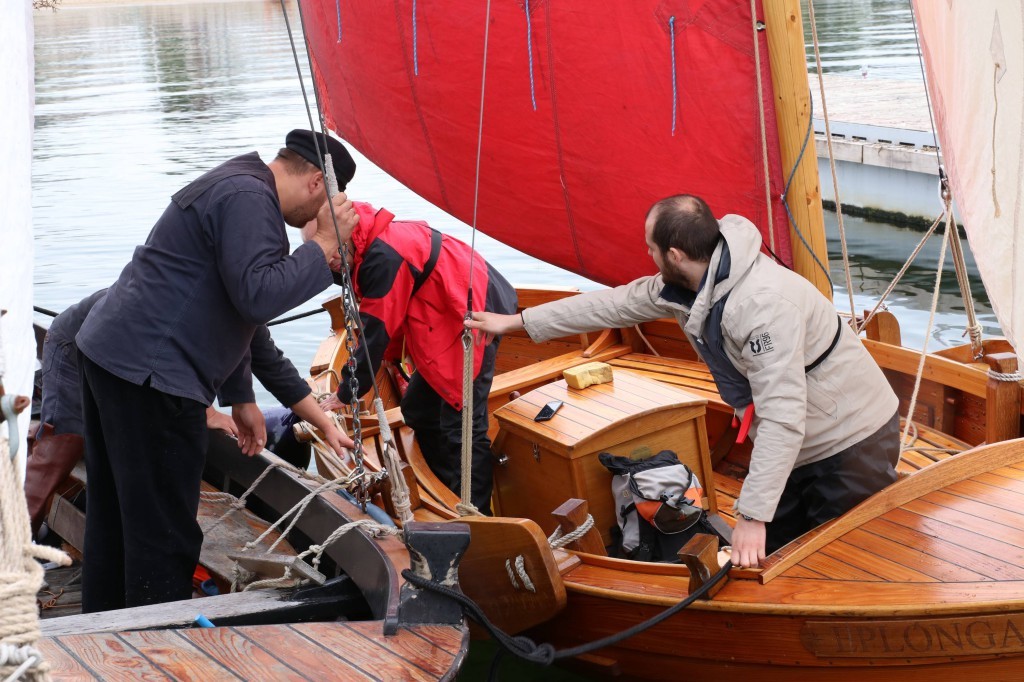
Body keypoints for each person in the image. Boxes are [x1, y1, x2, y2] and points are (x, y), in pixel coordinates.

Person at [467, 194, 900, 568]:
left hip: (850, 438)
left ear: (674, 254)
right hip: (800, 445)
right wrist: (518, 322)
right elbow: (613, 305)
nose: (648, 255)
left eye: (651, 248)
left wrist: (751, 515)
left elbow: (783, 415)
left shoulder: (760, 306)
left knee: (836, 560)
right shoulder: (695, 282)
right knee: (776, 554)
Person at [73, 130, 359, 612]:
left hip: (113, 359)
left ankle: (101, 628)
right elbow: (258, 298)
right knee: (164, 532)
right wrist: (324, 243)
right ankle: (157, 640)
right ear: (316, 183)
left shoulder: (238, 184)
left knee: (116, 518)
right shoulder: (250, 199)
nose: (313, 221)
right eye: (322, 208)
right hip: (152, 377)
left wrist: (253, 401)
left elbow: (245, 323)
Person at [26, 289, 319, 536]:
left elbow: (274, 367)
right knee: (61, 447)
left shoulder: (245, 307)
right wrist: (209, 413)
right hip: (75, 346)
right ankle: (13, 552)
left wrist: (326, 426)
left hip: (126, 364)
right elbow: (171, 353)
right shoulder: (194, 294)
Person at [318, 202, 517, 512]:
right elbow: (390, 309)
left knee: (462, 427)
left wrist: (347, 392)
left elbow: (375, 332)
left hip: (473, 312)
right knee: (417, 409)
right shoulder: (368, 244)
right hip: (442, 313)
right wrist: (388, 355)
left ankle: (475, 515)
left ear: (344, 233)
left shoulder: (382, 255)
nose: (329, 259)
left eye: (329, 248)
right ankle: (444, 485)